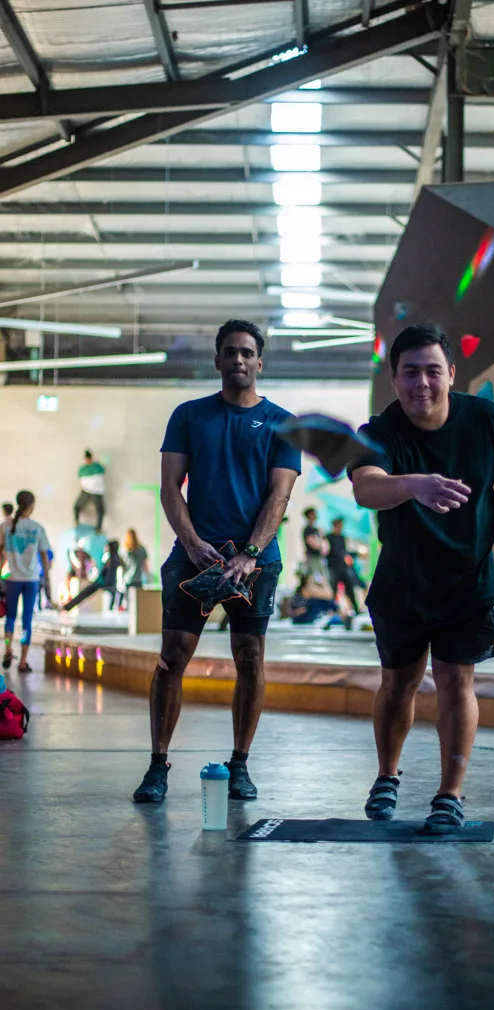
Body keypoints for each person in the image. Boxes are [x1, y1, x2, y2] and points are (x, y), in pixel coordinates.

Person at [348, 323, 494, 833]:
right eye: (410, 372)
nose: (422, 383)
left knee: (457, 682)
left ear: (451, 374)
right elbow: (366, 488)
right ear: (394, 378)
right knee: (398, 684)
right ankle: (387, 776)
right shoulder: (379, 432)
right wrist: (415, 485)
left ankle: (449, 794)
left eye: (433, 371)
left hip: (468, 581)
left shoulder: (488, 421)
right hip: (403, 583)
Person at [132, 318, 301, 804]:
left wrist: (250, 553)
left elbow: (279, 496)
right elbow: (170, 488)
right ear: (218, 360)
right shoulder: (189, 416)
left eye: (247, 352)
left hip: (256, 561)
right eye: (231, 352)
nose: (239, 359)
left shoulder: (283, 424)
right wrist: (190, 543)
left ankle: (240, 765)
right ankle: (157, 766)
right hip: (196, 557)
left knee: (250, 658)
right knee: (172, 657)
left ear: (260, 362)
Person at [0, 490, 52, 672]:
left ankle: (7, 649)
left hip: (12, 579)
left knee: (10, 617)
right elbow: (44, 556)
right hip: (31, 579)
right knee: (27, 620)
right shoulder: (37, 527)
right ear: (31, 506)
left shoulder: (5, 526)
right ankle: (22, 661)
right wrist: (47, 579)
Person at [326, 517, 360, 615]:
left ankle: (355, 608)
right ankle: (332, 609)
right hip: (333, 568)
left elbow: (344, 551)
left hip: (342, 567)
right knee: (333, 589)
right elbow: (331, 552)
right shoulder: (329, 537)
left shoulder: (342, 538)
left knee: (349, 588)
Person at [74, 450, 106, 531]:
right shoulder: (83, 468)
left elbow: (103, 471)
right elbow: (80, 476)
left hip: (96, 492)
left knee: (100, 511)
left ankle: (98, 528)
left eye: (89, 459)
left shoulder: (97, 466)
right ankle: (76, 523)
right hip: (86, 491)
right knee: (76, 507)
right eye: (86, 459)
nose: (88, 461)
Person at [121, 528, 149, 604]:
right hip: (138, 579)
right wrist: (147, 577)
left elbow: (122, 566)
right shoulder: (142, 549)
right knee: (138, 603)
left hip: (127, 579)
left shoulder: (123, 550)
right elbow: (145, 565)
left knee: (128, 602)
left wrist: (121, 579)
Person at [302, 507, 329, 576]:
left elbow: (325, 544)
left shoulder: (316, 530)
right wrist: (320, 544)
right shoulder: (307, 529)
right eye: (312, 514)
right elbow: (312, 543)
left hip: (319, 557)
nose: (314, 516)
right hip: (311, 557)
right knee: (314, 577)